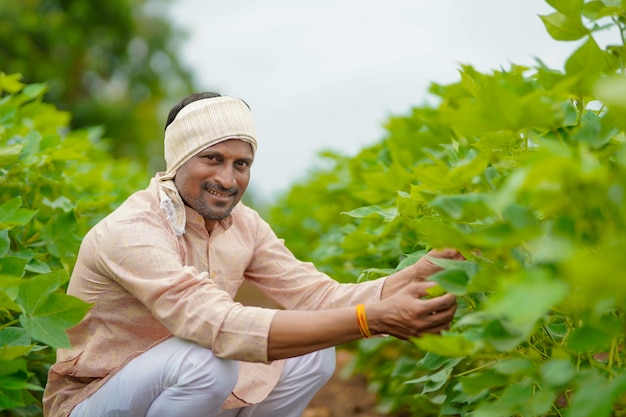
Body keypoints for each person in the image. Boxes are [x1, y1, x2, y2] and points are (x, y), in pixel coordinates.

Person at [42, 92, 463, 417]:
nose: (227, 179)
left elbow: (315, 296)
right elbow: (217, 327)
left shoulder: (243, 224)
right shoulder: (132, 230)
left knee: (315, 348)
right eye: (213, 158)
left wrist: (407, 278)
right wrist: (370, 321)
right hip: (95, 398)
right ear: (179, 161)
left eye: (241, 164)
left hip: (179, 390)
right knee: (209, 361)